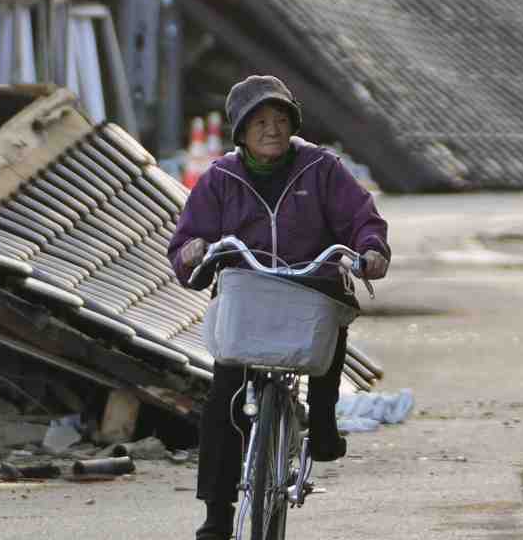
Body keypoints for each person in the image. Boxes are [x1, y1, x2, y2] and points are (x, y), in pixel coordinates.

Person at [167, 75, 391, 540]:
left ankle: (323, 423)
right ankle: (217, 514)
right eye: (261, 122)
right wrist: (191, 252)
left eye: (281, 119)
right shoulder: (221, 179)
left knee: (329, 329)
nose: (273, 129)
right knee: (223, 400)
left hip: (310, 284)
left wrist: (370, 249)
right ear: (242, 133)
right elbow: (188, 239)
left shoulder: (321, 168)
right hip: (247, 294)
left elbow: (360, 216)